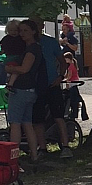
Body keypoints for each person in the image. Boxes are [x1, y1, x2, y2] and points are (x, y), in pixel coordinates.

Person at [30, 16, 71, 159]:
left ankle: (65, 146)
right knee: (37, 119)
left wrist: (60, 76)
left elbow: (62, 61)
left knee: (58, 116)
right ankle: (42, 147)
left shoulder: (50, 41)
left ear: (42, 26)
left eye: (37, 24)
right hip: (36, 85)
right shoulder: (27, 43)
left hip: (52, 84)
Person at [5, 20, 42, 162]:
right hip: (30, 90)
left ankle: (13, 157)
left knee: (15, 124)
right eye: (21, 31)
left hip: (21, 90)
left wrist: (10, 69)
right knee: (27, 124)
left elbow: (24, 69)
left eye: (26, 30)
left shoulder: (31, 50)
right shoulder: (34, 48)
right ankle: (34, 155)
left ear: (33, 31)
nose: (22, 34)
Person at [0, 19, 26, 89]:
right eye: (11, 30)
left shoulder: (20, 38)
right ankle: (10, 83)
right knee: (14, 70)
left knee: (14, 71)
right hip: (11, 57)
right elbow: (3, 46)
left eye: (15, 30)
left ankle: (10, 82)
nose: (13, 32)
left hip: (17, 56)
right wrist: (2, 51)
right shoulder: (7, 38)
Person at [63, 52, 86, 121]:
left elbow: (69, 76)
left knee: (68, 97)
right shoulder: (74, 65)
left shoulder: (70, 66)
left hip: (72, 83)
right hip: (74, 82)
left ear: (69, 59)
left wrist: (65, 79)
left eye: (66, 59)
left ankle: (67, 112)